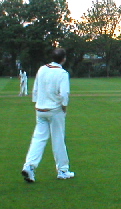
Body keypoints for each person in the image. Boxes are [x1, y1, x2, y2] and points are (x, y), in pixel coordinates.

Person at [21, 48, 74, 183]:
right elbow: (64, 94)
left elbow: (36, 89)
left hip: (40, 109)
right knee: (58, 139)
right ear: (63, 59)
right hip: (54, 110)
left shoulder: (42, 69)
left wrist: (37, 102)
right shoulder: (62, 73)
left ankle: (29, 166)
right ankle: (63, 170)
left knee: (38, 139)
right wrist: (64, 107)